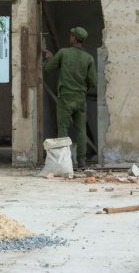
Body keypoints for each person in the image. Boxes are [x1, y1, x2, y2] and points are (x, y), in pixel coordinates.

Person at [44, 27, 97, 169]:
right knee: (81, 131)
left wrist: (49, 58)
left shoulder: (63, 53)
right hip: (80, 99)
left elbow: (48, 69)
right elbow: (93, 81)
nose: (70, 36)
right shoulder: (88, 58)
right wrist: (83, 89)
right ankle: (82, 162)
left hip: (65, 98)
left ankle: (63, 163)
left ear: (74, 38)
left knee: (63, 129)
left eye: (71, 35)